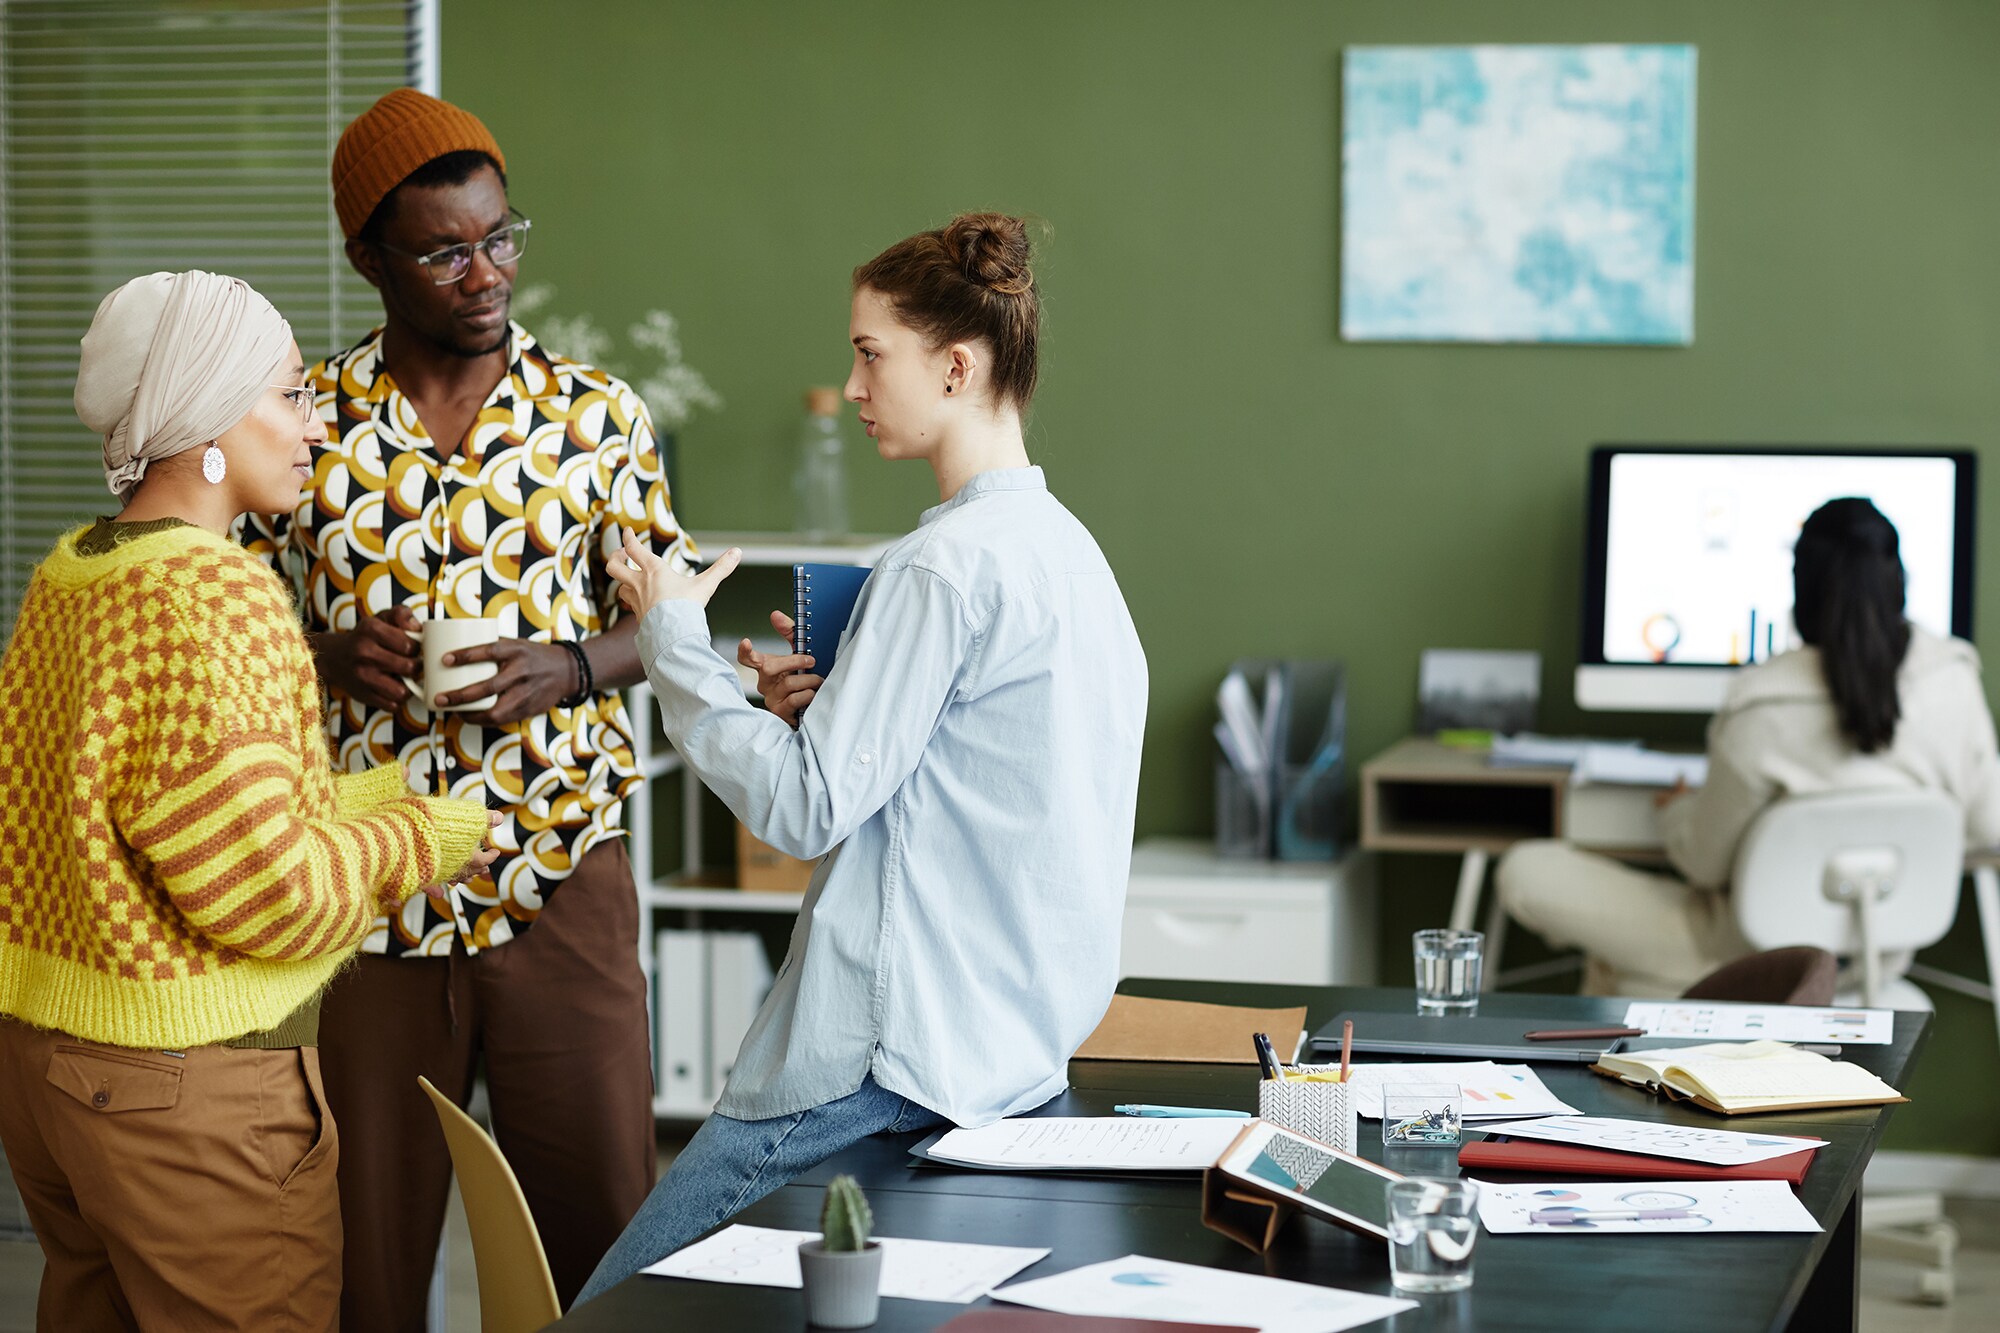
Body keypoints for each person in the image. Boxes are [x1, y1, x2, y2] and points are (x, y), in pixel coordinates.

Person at [577, 212, 1149, 1301]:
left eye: (867, 353)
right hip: (1003, 1061)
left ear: (954, 363)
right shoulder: (1069, 557)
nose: (849, 387)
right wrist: (824, 712)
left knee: (612, 1309)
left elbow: (803, 811)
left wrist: (671, 642)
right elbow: (972, 779)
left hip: (878, 1060)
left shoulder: (937, 568)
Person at [236, 88, 692, 1324]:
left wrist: (577, 667)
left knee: (601, 1248)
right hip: (370, 894)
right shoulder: (300, 424)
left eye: (501, 238)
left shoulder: (595, 419)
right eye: (445, 252)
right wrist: (326, 658)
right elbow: (222, 624)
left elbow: (673, 622)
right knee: (362, 1265)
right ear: (368, 261)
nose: (485, 274)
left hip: (560, 872)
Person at [0, 270, 494, 1331]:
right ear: (207, 417)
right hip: (188, 1096)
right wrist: (429, 835)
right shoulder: (217, 591)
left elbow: (159, 807)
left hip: (49, 1068)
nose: (312, 422)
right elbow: (269, 890)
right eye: (285, 395)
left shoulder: (74, 575)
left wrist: (382, 803)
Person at [1498, 497, 2000, 996]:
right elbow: (1987, 826)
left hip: (1742, 953)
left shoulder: (1762, 702)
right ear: (1897, 583)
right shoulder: (1953, 680)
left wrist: (1676, 813)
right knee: (1619, 968)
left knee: (1525, 870)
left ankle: (1654, 994)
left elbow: (1703, 864)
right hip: (1877, 959)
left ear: (1802, 587)